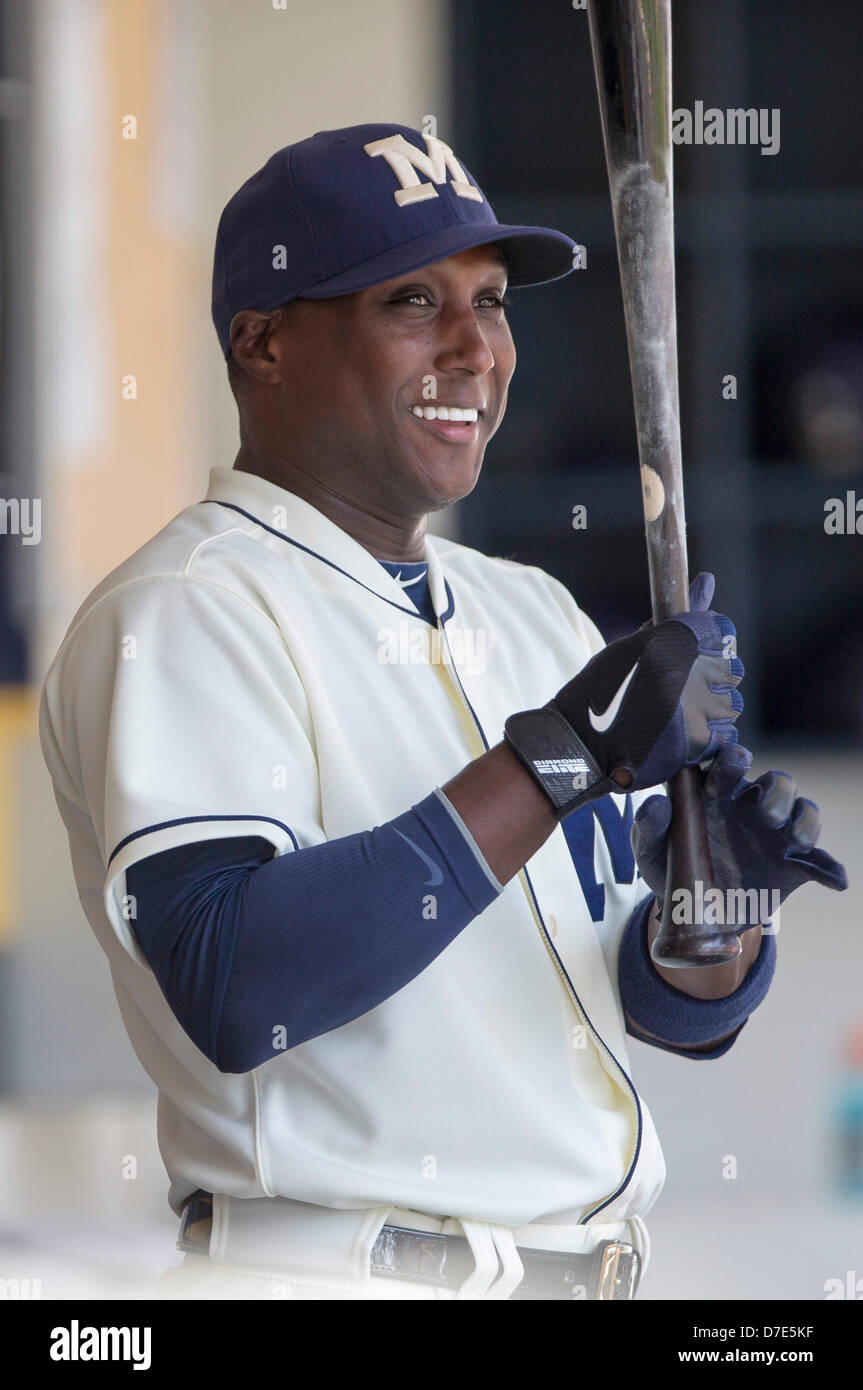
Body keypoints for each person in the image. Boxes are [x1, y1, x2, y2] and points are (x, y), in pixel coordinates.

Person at [38, 124, 846, 1301]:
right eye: (413, 300)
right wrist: (564, 755)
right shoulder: (182, 608)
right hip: (335, 1276)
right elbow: (233, 982)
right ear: (260, 343)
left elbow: (639, 1005)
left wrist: (709, 917)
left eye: (492, 300)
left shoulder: (535, 614)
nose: (475, 348)